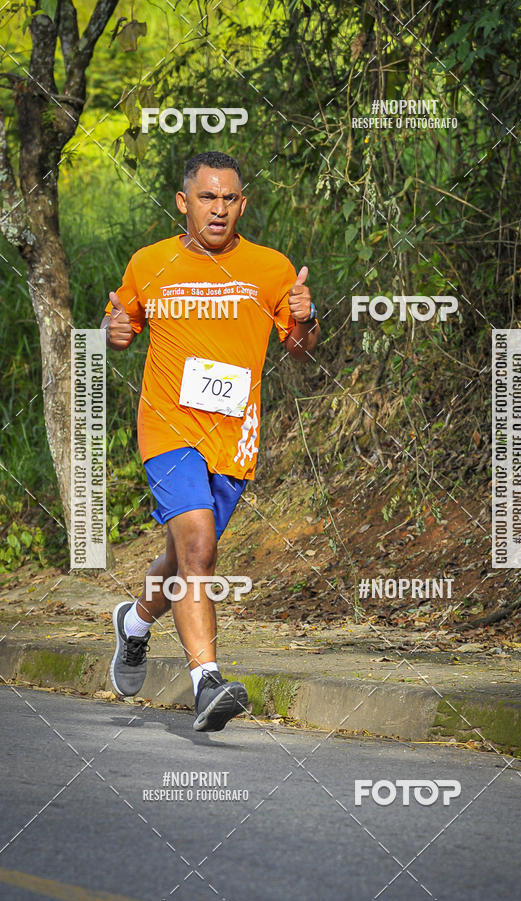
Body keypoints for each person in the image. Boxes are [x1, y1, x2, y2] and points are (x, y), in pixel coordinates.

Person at [101, 151, 319, 731]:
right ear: (183, 202)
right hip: (167, 426)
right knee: (198, 546)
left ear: (242, 204)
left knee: (182, 558)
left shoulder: (270, 268)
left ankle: (135, 622)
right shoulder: (151, 262)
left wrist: (305, 316)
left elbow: (299, 349)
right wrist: (112, 330)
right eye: (207, 197)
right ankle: (208, 681)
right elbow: (117, 325)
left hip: (233, 438)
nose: (218, 209)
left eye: (229, 199)